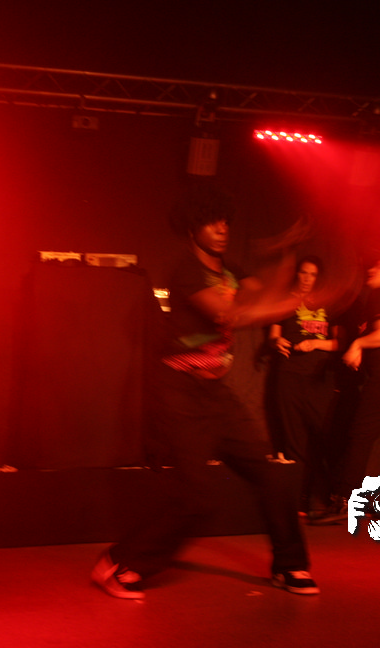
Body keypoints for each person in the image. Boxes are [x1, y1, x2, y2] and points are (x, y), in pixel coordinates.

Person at [91, 186, 319, 599]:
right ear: (192, 228)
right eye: (212, 221)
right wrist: (289, 302)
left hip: (216, 395)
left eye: (225, 220)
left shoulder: (231, 270)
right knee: (198, 497)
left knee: (272, 476)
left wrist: (287, 255)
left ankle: (289, 566)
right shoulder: (186, 271)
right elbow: (229, 313)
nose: (222, 228)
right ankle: (122, 561)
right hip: (179, 392)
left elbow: (262, 292)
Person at [311, 255, 380, 525]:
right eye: (371, 265)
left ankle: (343, 502)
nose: (372, 270)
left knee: (359, 437)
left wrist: (358, 344)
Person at [267, 256, 341, 515]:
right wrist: (276, 342)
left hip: (318, 378)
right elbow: (273, 335)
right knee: (294, 439)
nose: (307, 278)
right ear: (297, 274)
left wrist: (315, 343)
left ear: (319, 278)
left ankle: (328, 496)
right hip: (289, 376)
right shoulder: (285, 302)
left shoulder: (329, 304)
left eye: (313, 274)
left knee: (324, 436)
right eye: (304, 273)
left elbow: (339, 343)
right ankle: (299, 500)